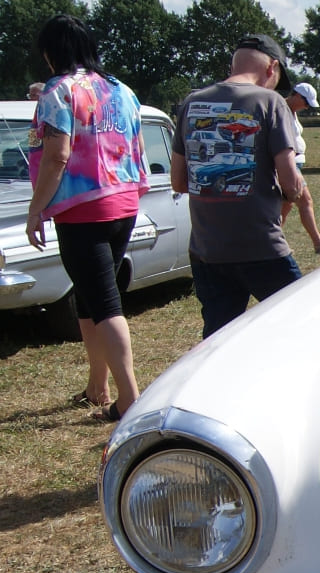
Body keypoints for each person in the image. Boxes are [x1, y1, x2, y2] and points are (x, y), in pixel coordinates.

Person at [24, 14, 146, 422]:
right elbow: (138, 144)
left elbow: (57, 155)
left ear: (51, 52)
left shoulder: (57, 91)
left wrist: (36, 208)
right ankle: (98, 385)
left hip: (82, 208)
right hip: (123, 201)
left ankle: (129, 397)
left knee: (105, 302)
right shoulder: (121, 89)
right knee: (90, 295)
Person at [171, 33, 306, 339]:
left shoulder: (192, 103)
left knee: (219, 341)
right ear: (272, 67)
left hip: (207, 249)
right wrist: (292, 188)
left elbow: (178, 181)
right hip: (261, 246)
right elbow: (291, 183)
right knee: (299, 326)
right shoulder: (270, 102)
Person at [282, 81, 320, 253]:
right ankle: (317, 242)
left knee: (286, 206)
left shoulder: (292, 111)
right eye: (306, 102)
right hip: (288, 164)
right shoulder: (280, 109)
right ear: (297, 95)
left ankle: (271, 241)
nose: (306, 107)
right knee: (305, 201)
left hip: (295, 162)